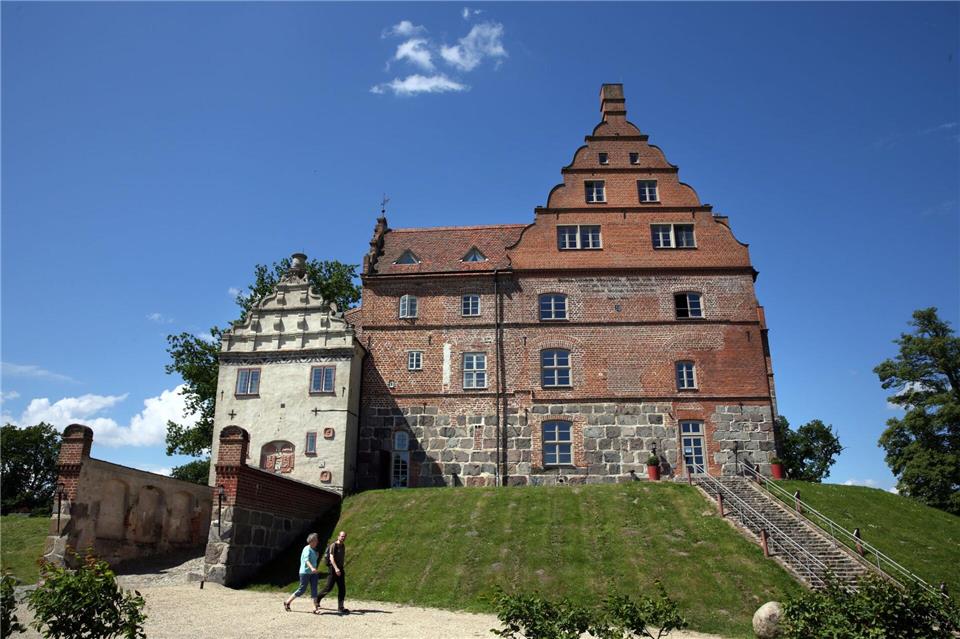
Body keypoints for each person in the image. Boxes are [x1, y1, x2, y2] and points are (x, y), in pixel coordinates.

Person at [283, 532, 320, 611]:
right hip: (305, 572)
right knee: (302, 589)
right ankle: (287, 602)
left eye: (317, 540)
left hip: (313, 573)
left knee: (314, 589)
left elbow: (313, 560)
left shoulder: (314, 550)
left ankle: (315, 607)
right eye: (316, 540)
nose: (317, 542)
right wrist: (312, 568)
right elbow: (306, 560)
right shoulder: (307, 548)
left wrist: (316, 556)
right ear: (311, 540)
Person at [314, 530, 348, 614]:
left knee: (342, 589)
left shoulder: (343, 546)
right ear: (338, 536)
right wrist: (336, 569)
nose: (343, 538)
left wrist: (340, 568)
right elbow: (331, 558)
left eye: (344, 536)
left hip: (340, 569)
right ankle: (317, 599)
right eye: (341, 536)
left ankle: (341, 607)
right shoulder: (333, 545)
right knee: (328, 588)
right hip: (333, 569)